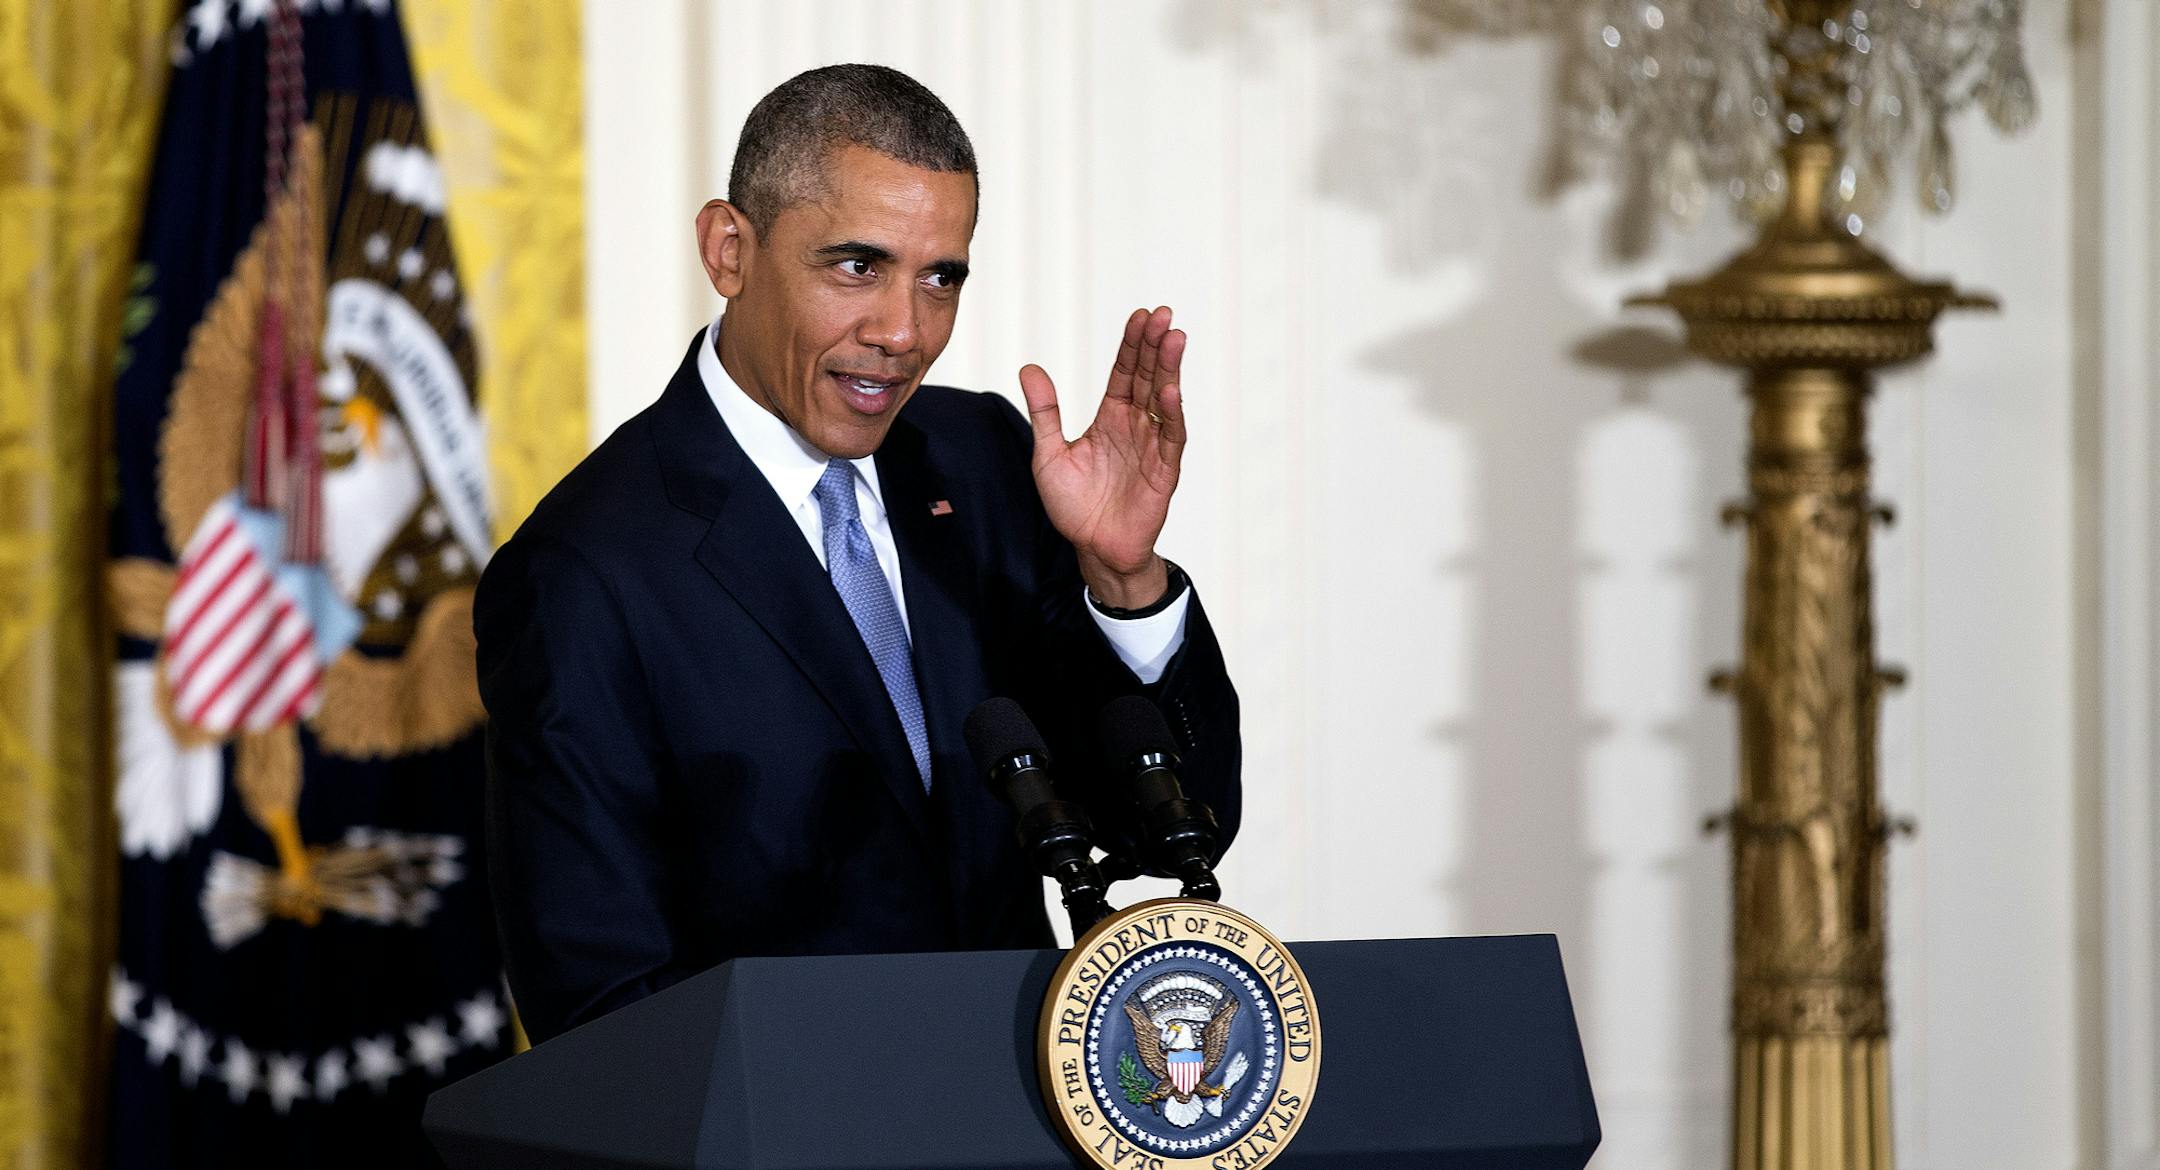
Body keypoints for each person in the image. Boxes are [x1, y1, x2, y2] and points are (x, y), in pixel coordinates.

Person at [473, 63, 1241, 1043]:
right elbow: (600, 1007)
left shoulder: (989, 463)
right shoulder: (585, 570)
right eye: (856, 266)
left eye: (940, 278)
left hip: (1025, 1118)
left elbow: (1173, 828)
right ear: (729, 249)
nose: (902, 332)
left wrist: (1122, 580)